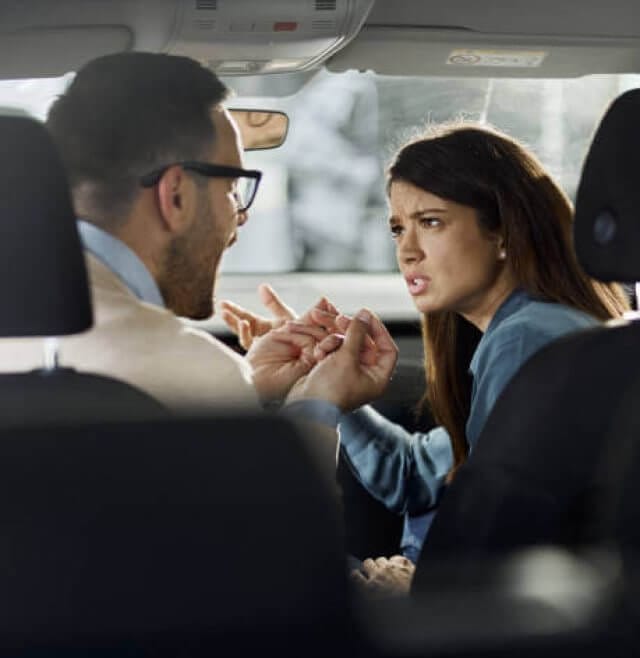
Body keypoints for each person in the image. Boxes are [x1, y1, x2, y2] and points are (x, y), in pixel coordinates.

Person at [221, 123, 628, 593]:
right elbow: (413, 474)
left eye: (431, 222)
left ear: (502, 232)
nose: (407, 251)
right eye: (398, 228)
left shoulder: (525, 339)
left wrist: (418, 588)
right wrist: (324, 373)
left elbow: (501, 541)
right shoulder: (535, 331)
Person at [0, 52, 397, 441]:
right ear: (176, 196)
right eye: (232, 190)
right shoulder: (185, 367)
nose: (240, 217)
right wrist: (317, 405)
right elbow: (279, 508)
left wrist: (242, 386)